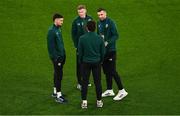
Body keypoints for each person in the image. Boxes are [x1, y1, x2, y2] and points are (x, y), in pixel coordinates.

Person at [97, 8, 128, 101]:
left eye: (101, 14)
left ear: (105, 14)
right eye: (98, 15)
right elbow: (99, 35)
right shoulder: (98, 23)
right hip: (103, 52)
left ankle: (122, 91)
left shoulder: (111, 22)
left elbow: (116, 35)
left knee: (112, 71)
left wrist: (107, 42)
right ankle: (110, 90)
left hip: (111, 51)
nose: (100, 16)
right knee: (106, 71)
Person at [78, 21, 105, 108]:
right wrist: (100, 60)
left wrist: (81, 61)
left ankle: (84, 102)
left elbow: (80, 52)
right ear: (95, 28)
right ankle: (99, 101)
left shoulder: (82, 38)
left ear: (87, 28)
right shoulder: (100, 38)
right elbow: (103, 52)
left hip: (85, 63)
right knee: (98, 83)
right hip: (96, 63)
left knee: (84, 83)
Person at [47, 13, 67, 103]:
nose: (62, 22)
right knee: (59, 75)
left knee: (58, 73)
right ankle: (59, 96)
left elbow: (60, 43)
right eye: (61, 20)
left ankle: (55, 91)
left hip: (61, 56)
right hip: (57, 57)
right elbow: (50, 47)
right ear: (56, 20)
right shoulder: (51, 31)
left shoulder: (58, 29)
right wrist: (56, 57)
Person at [71, 5, 93, 90]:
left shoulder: (90, 19)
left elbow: (92, 31)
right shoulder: (75, 21)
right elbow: (73, 34)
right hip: (80, 46)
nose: (80, 13)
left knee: (87, 63)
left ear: (85, 11)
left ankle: (86, 81)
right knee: (79, 64)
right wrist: (76, 46)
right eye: (79, 12)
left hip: (88, 46)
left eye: (82, 12)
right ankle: (79, 83)